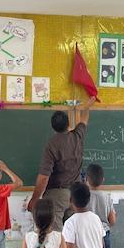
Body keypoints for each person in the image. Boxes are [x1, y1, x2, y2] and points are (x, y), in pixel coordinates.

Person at [27, 95, 96, 230]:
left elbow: (44, 177)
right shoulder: (77, 136)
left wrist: (35, 198)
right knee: (72, 234)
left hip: (56, 195)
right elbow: (84, 120)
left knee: (55, 236)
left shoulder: (52, 144)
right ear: (68, 124)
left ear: (53, 127)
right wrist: (88, 105)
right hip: (75, 194)